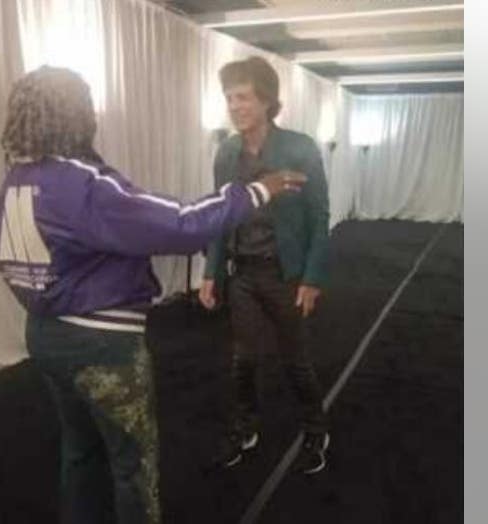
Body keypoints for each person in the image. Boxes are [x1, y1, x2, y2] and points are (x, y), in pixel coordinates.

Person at [0, 65, 304, 524]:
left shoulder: (16, 179)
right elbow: (180, 221)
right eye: (87, 102)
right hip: (100, 346)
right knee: (133, 465)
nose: (94, 111)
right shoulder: (79, 182)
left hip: (45, 335)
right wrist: (256, 190)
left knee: (81, 454)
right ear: (72, 113)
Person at [199, 56, 332, 475]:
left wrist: (312, 277)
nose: (234, 106)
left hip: (285, 275)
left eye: (243, 97)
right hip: (244, 275)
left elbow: (320, 216)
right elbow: (221, 215)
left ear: (267, 101)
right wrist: (210, 271)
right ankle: (246, 428)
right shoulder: (227, 152)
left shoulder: (299, 147)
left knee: (295, 359)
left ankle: (315, 429)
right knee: (244, 360)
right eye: (229, 98)